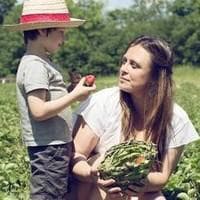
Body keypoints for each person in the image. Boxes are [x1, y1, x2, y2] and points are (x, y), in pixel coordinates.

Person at [71, 35, 200, 200]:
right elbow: (76, 156)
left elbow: (162, 177)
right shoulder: (103, 102)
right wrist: (92, 173)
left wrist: (134, 181)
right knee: (103, 160)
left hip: (138, 190)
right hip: (91, 186)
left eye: (134, 65)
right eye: (124, 61)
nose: (123, 69)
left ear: (155, 76)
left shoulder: (176, 118)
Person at [3, 0, 96, 199]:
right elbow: (38, 111)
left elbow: (47, 98)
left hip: (56, 145)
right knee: (48, 193)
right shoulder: (35, 65)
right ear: (44, 31)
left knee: (58, 193)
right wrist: (74, 96)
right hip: (48, 148)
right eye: (61, 32)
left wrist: (70, 89)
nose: (64, 39)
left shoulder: (42, 62)